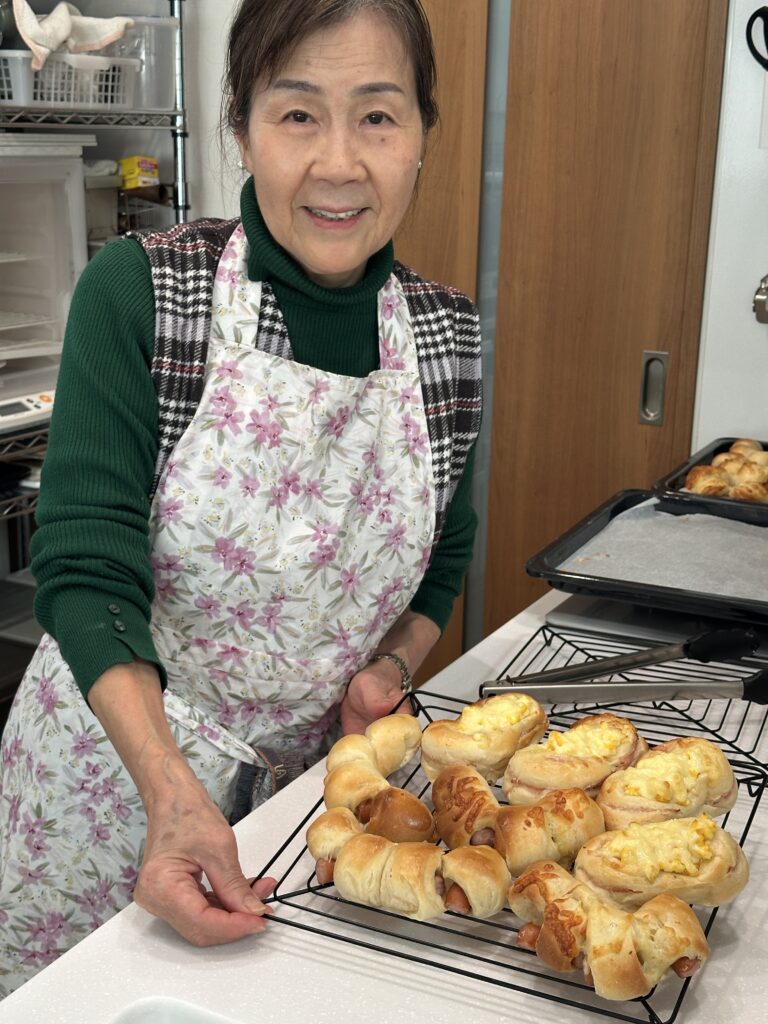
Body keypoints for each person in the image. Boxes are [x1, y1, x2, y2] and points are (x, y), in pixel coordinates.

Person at [0, 0, 482, 996]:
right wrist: (174, 793)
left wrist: (387, 666)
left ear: (424, 132)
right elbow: (85, 571)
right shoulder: (142, 294)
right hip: (110, 788)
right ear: (241, 124)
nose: (339, 163)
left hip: (301, 813)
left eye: (379, 116)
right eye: (298, 114)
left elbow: (447, 554)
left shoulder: (449, 340)